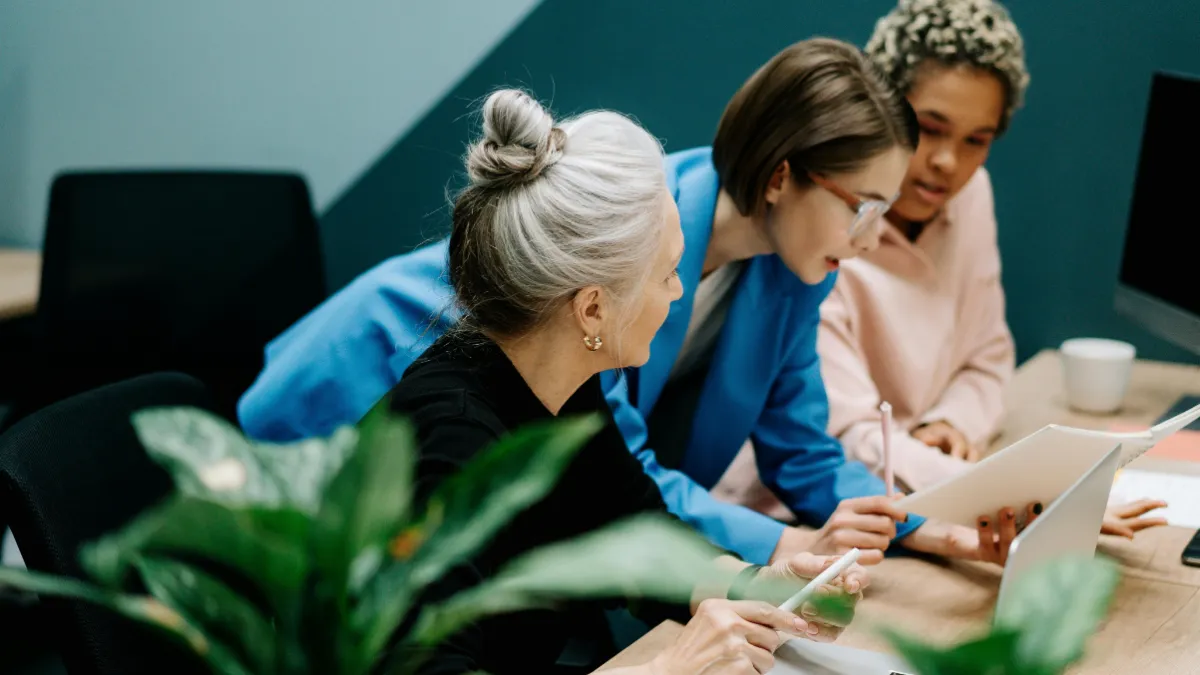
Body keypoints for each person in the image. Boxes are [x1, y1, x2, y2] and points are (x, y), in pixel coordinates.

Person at [239, 38, 996, 567]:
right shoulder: (633, 241)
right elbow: (620, 464)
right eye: (862, 208)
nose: (870, 241)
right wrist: (782, 546)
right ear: (780, 178)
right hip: (366, 379)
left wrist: (928, 528)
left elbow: (801, 449)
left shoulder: (798, 269)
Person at [392, 88, 868, 675]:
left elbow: (635, 530)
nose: (678, 292)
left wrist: (761, 588)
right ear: (592, 309)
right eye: (668, 273)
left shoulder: (563, 384)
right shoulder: (449, 442)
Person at [810, 0, 1166, 532]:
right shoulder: (823, 225)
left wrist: (950, 421)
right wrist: (1035, 496)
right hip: (823, 512)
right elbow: (845, 435)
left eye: (977, 140)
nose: (948, 164)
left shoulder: (971, 195)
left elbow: (988, 355)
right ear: (880, 105)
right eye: (930, 128)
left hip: (925, 489)